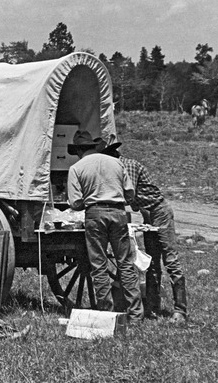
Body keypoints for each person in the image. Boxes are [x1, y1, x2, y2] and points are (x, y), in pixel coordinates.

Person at [99, 137, 188, 323]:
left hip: (159, 210)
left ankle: (180, 310)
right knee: (152, 262)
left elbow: (126, 194)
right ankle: (152, 306)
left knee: (170, 259)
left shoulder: (126, 166)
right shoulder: (119, 167)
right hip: (149, 212)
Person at [67, 130, 143, 321]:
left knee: (98, 265)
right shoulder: (116, 163)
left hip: (95, 215)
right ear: (93, 147)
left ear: (77, 150)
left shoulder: (76, 168)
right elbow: (130, 194)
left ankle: (107, 314)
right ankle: (135, 313)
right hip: (118, 213)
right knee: (125, 264)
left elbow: (75, 203)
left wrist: (91, 200)